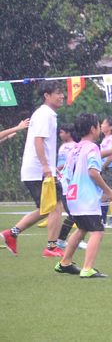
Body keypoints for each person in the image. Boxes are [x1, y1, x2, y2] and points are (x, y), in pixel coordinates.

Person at [2, 81, 66, 257]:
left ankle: (12, 233)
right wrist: (46, 167)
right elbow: (38, 141)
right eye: (58, 93)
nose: (62, 96)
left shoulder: (47, 114)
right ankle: (52, 247)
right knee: (55, 206)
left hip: (38, 169)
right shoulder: (44, 114)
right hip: (39, 170)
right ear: (47, 95)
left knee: (46, 208)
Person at [53, 113, 112, 278]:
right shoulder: (92, 147)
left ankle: (64, 263)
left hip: (73, 195)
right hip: (85, 197)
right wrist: (108, 191)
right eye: (98, 126)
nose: (99, 129)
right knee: (97, 231)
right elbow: (93, 172)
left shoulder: (74, 147)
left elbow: (67, 173)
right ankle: (88, 268)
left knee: (82, 228)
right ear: (92, 129)